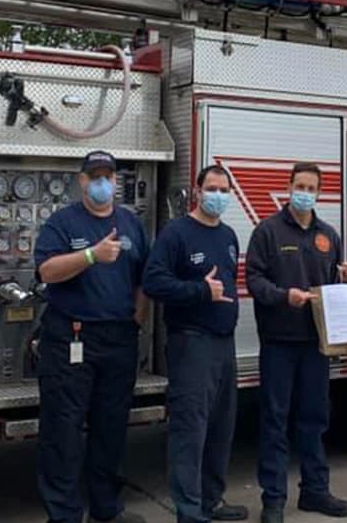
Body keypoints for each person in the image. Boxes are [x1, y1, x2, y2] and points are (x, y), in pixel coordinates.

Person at [34, 151, 150, 523]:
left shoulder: (131, 224)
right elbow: (47, 271)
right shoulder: (62, 222)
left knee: (111, 427)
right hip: (71, 338)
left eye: (108, 176)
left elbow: (144, 277)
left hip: (119, 338)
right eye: (95, 176)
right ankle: (64, 514)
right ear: (82, 181)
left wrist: (138, 317)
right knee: (63, 430)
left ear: (117, 181)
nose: (102, 183)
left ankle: (107, 508)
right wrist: (90, 256)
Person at [245, 162, 347, 523]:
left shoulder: (328, 235)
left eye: (311, 188)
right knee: (275, 421)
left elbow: (334, 286)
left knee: (315, 418)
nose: (305, 193)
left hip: (316, 343)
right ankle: (273, 499)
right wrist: (283, 296)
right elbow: (253, 280)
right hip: (279, 342)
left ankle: (315, 491)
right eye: (300, 186)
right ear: (289, 186)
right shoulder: (268, 231)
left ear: (319, 192)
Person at [143, 165, 248, 523]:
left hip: (223, 344)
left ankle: (211, 501)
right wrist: (200, 290)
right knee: (190, 430)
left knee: (221, 428)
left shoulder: (229, 236)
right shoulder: (176, 233)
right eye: (212, 188)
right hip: (191, 343)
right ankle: (189, 512)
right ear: (198, 191)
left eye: (224, 190)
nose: (218, 195)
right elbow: (153, 282)